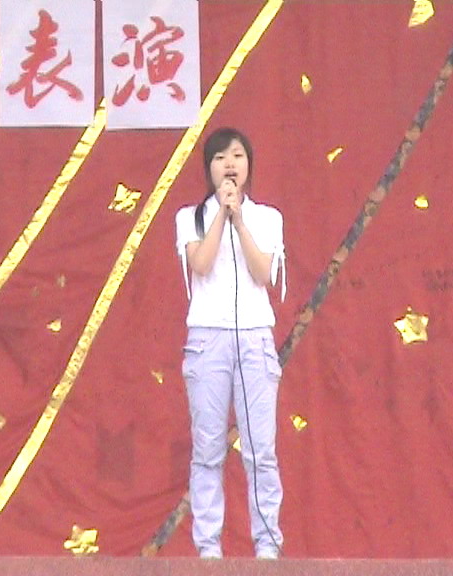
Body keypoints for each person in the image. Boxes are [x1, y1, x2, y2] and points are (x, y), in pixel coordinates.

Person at [175, 127, 286, 559]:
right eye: (220, 157)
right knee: (208, 450)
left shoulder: (267, 218)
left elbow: (262, 273)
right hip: (208, 340)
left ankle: (267, 546)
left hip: (255, 338)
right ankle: (208, 549)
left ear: (249, 165)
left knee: (261, 450)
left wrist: (240, 219)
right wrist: (221, 215)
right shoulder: (190, 218)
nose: (229, 164)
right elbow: (201, 265)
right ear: (209, 168)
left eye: (237, 155)